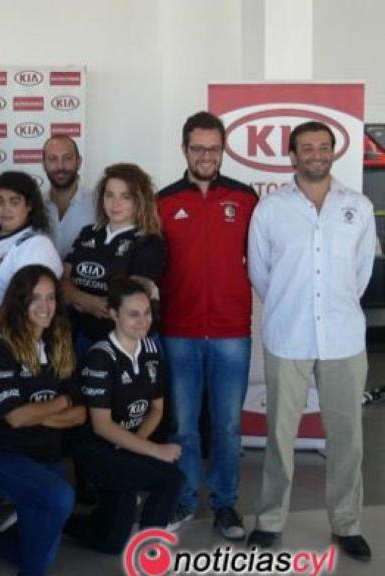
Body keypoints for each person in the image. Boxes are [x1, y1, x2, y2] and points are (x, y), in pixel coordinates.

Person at [246, 121, 374, 561]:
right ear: (292, 155)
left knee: (347, 439)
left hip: (343, 340)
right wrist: (290, 306)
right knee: (280, 439)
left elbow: (360, 276)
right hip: (288, 336)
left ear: (333, 152)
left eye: (323, 146)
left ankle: (346, 523)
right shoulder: (270, 209)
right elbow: (260, 274)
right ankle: (269, 521)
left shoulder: (356, 206)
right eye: (307, 148)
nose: (316, 154)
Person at [157, 112, 257, 538]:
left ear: (223, 149)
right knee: (182, 423)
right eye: (197, 148)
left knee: (228, 424)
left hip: (231, 329)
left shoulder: (245, 197)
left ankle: (225, 504)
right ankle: (182, 499)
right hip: (178, 329)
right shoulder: (163, 200)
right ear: (184, 149)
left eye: (213, 149)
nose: (206, 156)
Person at [0, 265, 84, 576]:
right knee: (63, 498)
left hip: (46, 460)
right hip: (5, 459)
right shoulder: (3, 347)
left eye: (51, 298)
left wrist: (39, 415)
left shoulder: (60, 343)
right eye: (35, 298)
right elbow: (14, 416)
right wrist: (61, 402)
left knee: (34, 553)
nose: (45, 307)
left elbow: (81, 414)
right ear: (20, 302)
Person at [66, 279, 185, 554]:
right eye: (133, 314)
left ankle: (61, 520)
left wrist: (134, 443)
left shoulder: (152, 350)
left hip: (126, 445)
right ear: (113, 314)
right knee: (171, 479)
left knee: (110, 542)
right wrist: (154, 450)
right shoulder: (100, 357)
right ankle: (149, 555)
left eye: (147, 313)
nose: (143, 321)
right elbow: (102, 426)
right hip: (96, 451)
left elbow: (157, 408)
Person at [0, 171, 62, 444]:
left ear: (29, 205)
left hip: (12, 354)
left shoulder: (36, 245)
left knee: (9, 430)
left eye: (14, 201)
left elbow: (25, 303)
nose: (5, 209)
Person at [63, 163, 165, 356]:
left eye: (125, 196)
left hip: (127, 344)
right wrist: (89, 302)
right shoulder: (88, 233)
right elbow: (62, 282)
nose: (115, 203)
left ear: (139, 200)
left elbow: (130, 300)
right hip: (83, 336)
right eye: (109, 195)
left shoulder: (149, 242)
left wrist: (78, 299)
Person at [42, 135, 95, 258]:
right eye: (52, 159)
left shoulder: (98, 204)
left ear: (79, 162)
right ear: (44, 164)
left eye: (67, 158)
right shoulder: (34, 206)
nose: (60, 166)